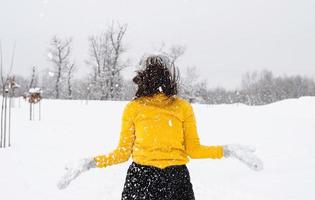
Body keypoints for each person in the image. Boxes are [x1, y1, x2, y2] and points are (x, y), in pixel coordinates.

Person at [57, 55, 263, 199]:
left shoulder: (133, 108)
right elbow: (194, 150)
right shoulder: (182, 107)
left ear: (142, 78)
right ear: (170, 78)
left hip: (140, 180)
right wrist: (226, 151)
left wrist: (90, 163)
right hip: (176, 182)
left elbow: (121, 154)